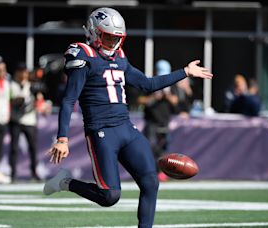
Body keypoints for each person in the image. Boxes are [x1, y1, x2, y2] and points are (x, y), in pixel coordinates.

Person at [42, 7, 213, 228]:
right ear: (94, 32)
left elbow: (147, 84)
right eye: (108, 37)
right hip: (101, 131)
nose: (113, 43)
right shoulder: (82, 55)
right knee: (109, 196)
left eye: (117, 38)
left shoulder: (120, 57)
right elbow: (68, 100)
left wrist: (185, 72)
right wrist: (62, 138)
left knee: (151, 182)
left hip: (126, 129)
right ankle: (65, 182)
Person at [139, 59, 178, 182]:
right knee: (150, 148)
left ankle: (161, 172)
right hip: (151, 121)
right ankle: (149, 172)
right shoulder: (150, 82)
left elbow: (176, 101)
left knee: (163, 149)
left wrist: (167, 95)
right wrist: (153, 97)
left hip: (164, 122)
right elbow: (139, 99)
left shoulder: (171, 85)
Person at [9, 63, 40, 182]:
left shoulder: (31, 85)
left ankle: (34, 171)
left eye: (25, 71)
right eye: (21, 71)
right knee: (14, 147)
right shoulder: (11, 85)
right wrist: (21, 99)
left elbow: (39, 100)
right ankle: (13, 173)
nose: (23, 74)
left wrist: (38, 97)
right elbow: (13, 102)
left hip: (29, 120)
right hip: (16, 120)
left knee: (32, 147)